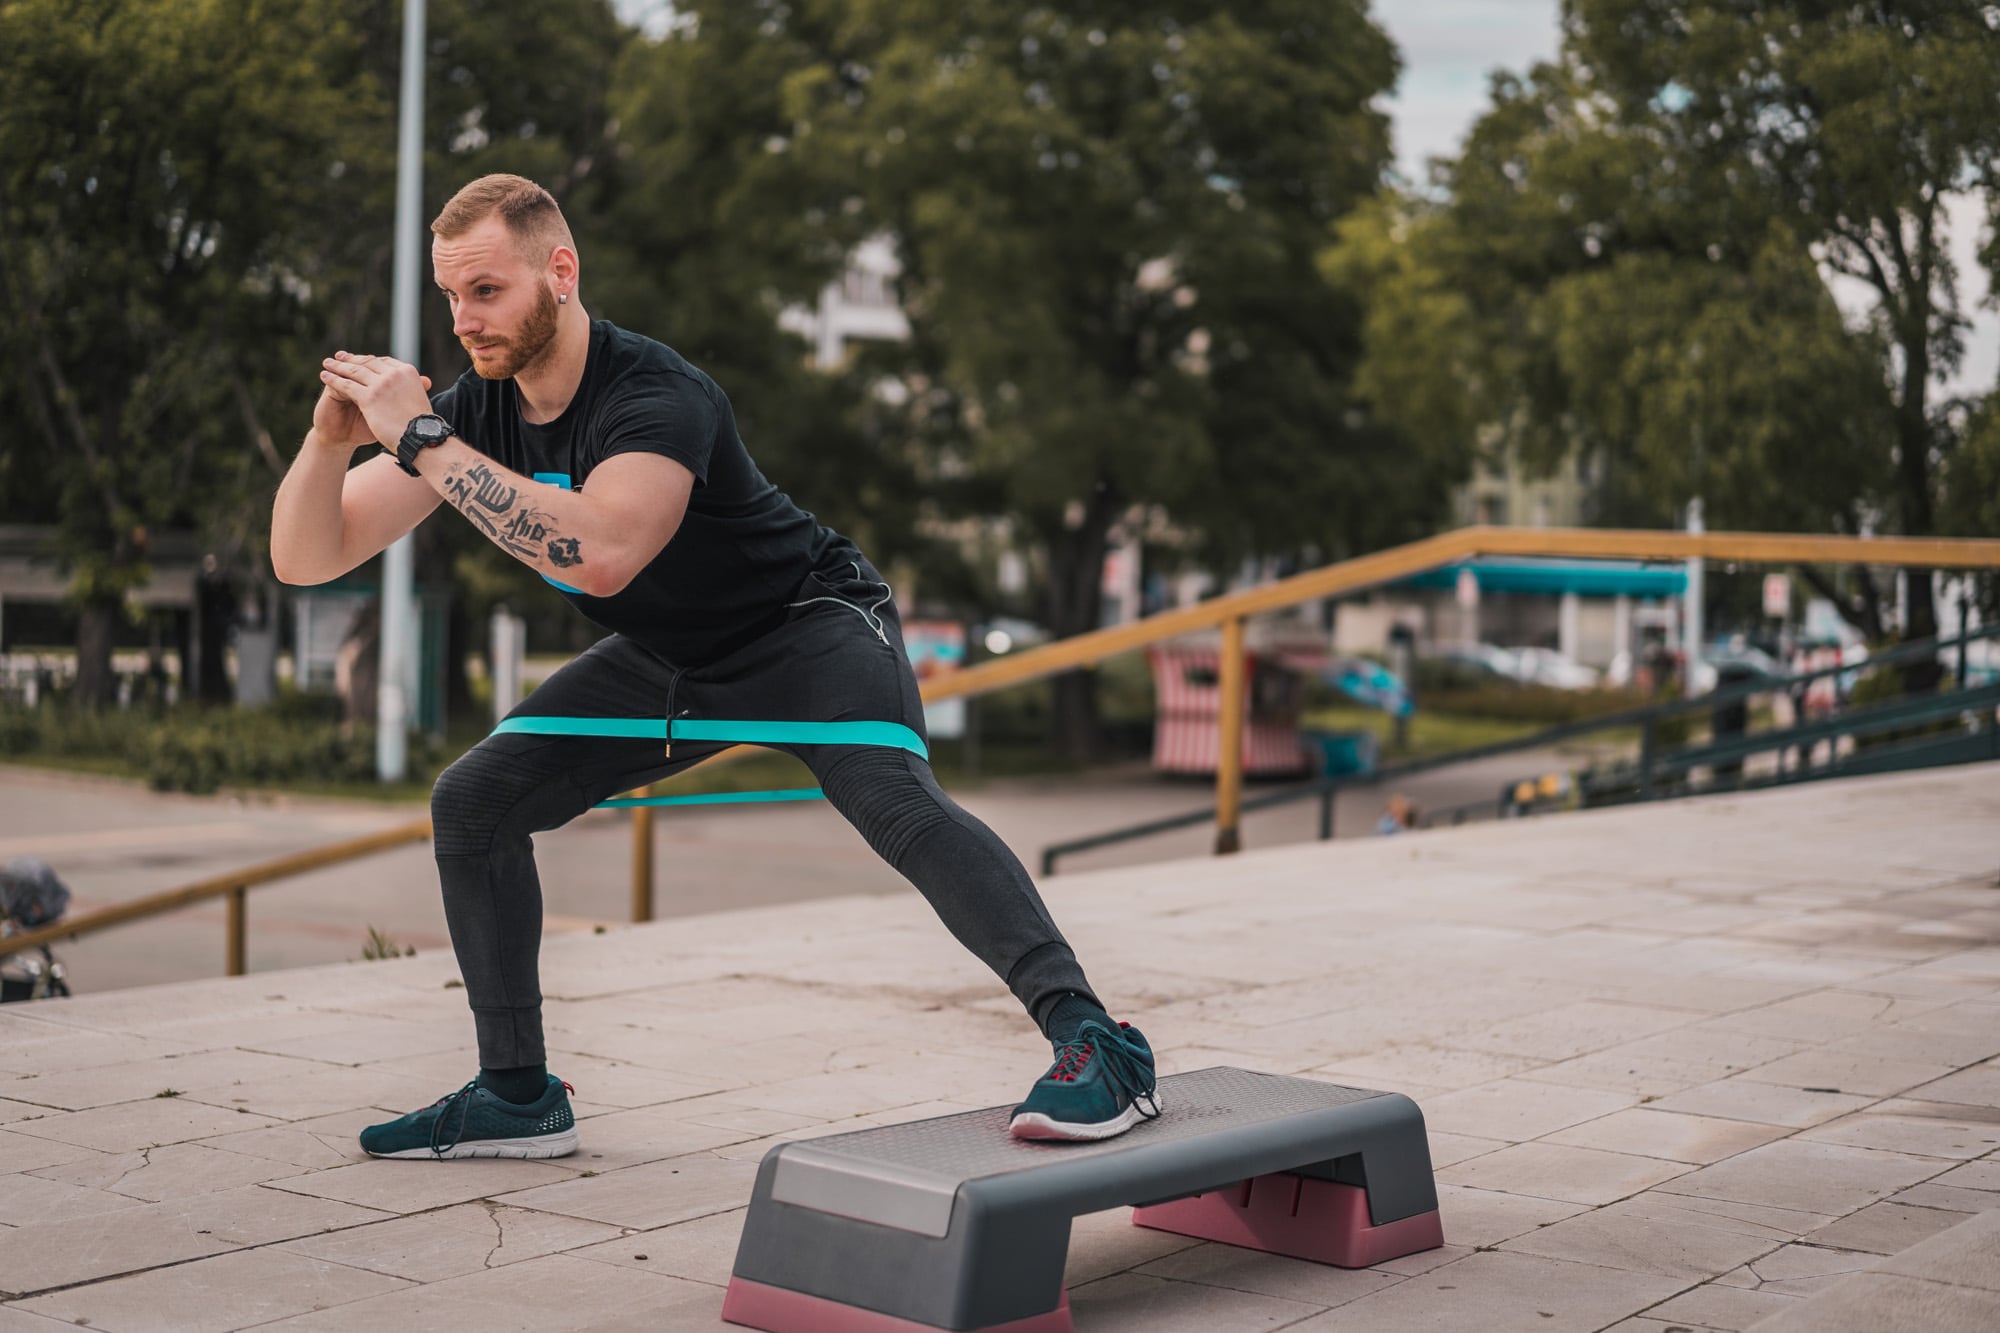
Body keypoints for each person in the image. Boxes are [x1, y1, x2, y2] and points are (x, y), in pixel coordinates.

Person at [271, 174, 1158, 1159]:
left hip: (806, 626)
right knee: (474, 802)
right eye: (450, 297)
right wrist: (324, 441)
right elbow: (308, 557)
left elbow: (600, 552)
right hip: (671, 656)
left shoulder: (654, 393)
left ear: (558, 273)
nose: (465, 321)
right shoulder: (477, 414)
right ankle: (516, 1094)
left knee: (890, 799)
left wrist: (424, 436)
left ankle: (1096, 1042)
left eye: (487, 291)